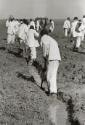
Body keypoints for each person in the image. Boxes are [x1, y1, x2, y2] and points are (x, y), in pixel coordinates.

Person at [40, 29, 61, 95]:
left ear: (42, 34)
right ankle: (53, 91)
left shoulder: (43, 38)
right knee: (53, 75)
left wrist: (44, 56)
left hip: (51, 58)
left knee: (49, 76)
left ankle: (52, 92)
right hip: (57, 58)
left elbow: (44, 47)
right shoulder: (52, 39)